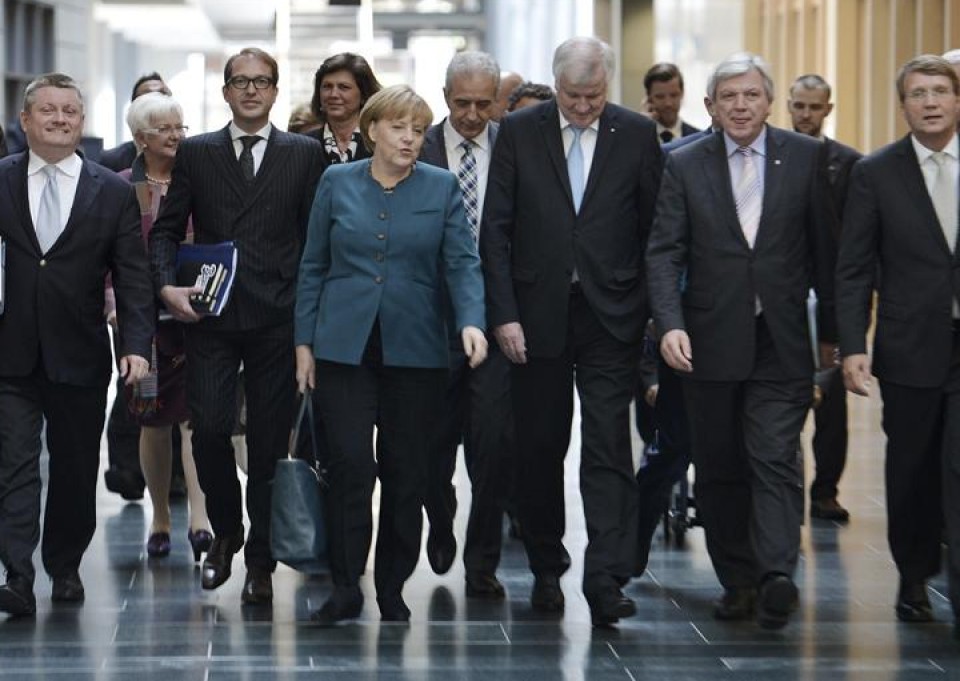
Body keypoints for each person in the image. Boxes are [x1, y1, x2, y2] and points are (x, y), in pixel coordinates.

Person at [646, 52, 837, 630]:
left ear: (768, 101)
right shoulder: (682, 163)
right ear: (709, 106)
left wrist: (832, 337)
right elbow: (663, 252)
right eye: (728, 96)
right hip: (708, 340)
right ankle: (738, 578)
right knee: (721, 462)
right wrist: (670, 324)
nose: (740, 105)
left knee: (775, 454)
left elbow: (825, 254)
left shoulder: (805, 157)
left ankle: (777, 571)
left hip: (781, 338)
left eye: (751, 94)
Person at [480, 36, 662, 628]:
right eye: (573, 96)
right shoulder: (519, 132)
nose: (583, 107)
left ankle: (605, 575)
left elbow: (653, 229)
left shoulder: (635, 134)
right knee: (539, 444)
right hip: (534, 316)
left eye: (594, 96)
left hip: (612, 314)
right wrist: (503, 313)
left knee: (609, 446)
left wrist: (650, 312)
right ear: (554, 84)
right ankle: (546, 564)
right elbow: (497, 231)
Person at [295, 84, 487, 623]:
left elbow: (462, 264)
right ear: (371, 130)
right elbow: (313, 265)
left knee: (408, 472)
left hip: (417, 351)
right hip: (343, 348)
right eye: (399, 127)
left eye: (418, 130)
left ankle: (392, 586)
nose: (409, 138)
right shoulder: (335, 182)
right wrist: (304, 343)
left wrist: (472, 321)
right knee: (350, 465)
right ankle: (344, 584)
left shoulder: (442, 186)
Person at [149, 47, 324, 606]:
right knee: (210, 429)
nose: (251, 90)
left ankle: (261, 561)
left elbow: (316, 242)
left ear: (275, 91)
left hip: (278, 316)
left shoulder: (304, 153)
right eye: (240, 82)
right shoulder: (197, 154)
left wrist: (309, 326)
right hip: (211, 316)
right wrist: (165, 286)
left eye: (262, 82)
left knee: (271, 446)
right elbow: (165, 232)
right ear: (225, 92)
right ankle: (226, 533)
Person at [0, 73, 154, 617]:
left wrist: (137, 344)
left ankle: (63, 565)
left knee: (73, 466)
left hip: (80, 352)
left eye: (70, 111)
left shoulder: (110, 190)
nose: (60, 119)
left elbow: (133, 275)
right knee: (15, 464)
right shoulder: (0, 179)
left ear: (82, 122)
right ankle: (17, 574)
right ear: (25, 120)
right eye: (48, 110)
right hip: (10, 354)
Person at [837, 54, 960, 628]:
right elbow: (854, 265)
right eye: (918, 93)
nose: (930, 102)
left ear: (957, 100)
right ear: (903, 104)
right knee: (911, 466)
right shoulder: (877, 171)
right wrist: (852, 343)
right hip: (910, 343)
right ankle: (913, 573)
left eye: (940, 91)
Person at [418, 51, 510, 597]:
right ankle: (441, 516)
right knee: (431, 444)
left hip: (497, 321)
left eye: (484, 103)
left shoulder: (515, 147)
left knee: (494, 445)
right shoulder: (419, 146)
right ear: (445, 95)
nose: (473, 115)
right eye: (462, 103)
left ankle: (483, 562)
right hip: (429, 321)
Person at [114, 92, 212, 561]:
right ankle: (160, 516)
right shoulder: (120, 187)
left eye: (180, 126)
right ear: (139, 138)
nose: (175, 136)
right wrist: (113, 305)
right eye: (164, 129)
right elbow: (106, 260)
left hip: (197, 317)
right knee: (152, 421)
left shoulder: (199, 180)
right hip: (141, 326)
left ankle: (200, 518)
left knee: (197, 418)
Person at [787, 73, 862, 523]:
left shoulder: (849, 164)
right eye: (799, 106)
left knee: (832, 404)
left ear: (828, 110)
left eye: (815, 107)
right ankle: (787, 487)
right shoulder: (775, 156)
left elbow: (853, 245)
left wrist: (844, 322)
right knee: (781, 401)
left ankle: (826, 490)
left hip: (830, 298)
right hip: (785, 296)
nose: (806, 115)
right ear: (789, 105)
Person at [102, 71, 174, 502]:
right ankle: (128, 471)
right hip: (129, 302)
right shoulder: (116, 167)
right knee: (137, 386)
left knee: (180, 399)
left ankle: (173, 482)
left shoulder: (189, 165)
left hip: (179, 306)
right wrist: (112, 300)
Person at [305, 52, 382, 170]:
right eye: (327, 86)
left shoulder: (381, 142)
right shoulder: (303, 146)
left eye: (344, 87)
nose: (333, 94)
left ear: (363, 95)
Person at [100, 73, 171, 173]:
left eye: (163, 95)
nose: (158, 103)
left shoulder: (189, 155)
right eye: (148, 98)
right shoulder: (111, 161)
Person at [643, 63, 700, 144]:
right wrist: (642, 126)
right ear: (648, 98)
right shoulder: (639, 138)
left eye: (674, 95)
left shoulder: (698, 139)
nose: (668, 103)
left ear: (682, 93)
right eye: (660, 97)